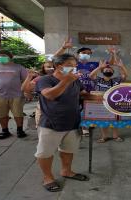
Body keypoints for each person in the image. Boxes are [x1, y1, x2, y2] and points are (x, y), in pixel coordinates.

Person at [35, 53, 95, 192]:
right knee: (45, 153)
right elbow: (50, 95)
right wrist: (66, 81)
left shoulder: (75, 80)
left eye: (75, 66)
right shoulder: (45, 80)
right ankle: (48, 177)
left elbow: (83, 93)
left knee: (68, 150)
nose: (73, 68)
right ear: (58, 66)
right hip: (52, 123)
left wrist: (104, 97)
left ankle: (66, 171)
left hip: (73, 122)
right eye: (70, 66)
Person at [0, 50, 28, 139]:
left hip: (17, 95)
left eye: (3, 55)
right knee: (2, 114)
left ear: (10, 56)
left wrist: (27, 92)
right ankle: (5, 131)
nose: (0, 56)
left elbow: (26, 80)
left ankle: (20, 130)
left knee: (18, 113)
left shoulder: (19, 67)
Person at [89, 56, 128, 143]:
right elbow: (91, 75)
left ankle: (115, 136)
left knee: (114, 120)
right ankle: (104, 136)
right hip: (100, 103)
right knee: (103, 120)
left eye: (110, 70)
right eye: (106, 69)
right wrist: (99, 67)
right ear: (102, 72)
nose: (108, 70)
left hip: (114, 103)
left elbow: (124, 75)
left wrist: (121, 67)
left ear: (113, 72)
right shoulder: (98, 79)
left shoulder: (116, 80)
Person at [21, 61, 55, 127]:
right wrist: (29, 76)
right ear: (44, 68)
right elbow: (25, 89)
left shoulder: (62, 77)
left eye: (53, 66)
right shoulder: (40, 78)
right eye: (48, 67)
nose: (52, 68)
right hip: (44, 108)